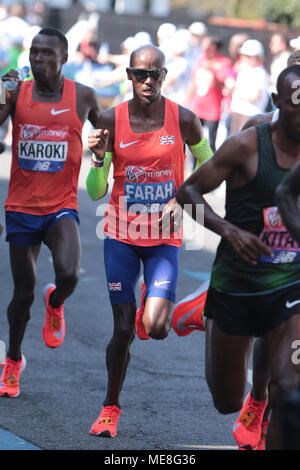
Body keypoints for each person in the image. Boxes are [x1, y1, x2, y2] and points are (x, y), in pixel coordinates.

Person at [85, 44, 213, 437]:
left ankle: (152, 310)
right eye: (140, 74)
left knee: (156, 327)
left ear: (164, 76)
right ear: (128, 76)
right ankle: (110, 408)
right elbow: (94, 192)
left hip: (163, 239)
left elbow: (210, 167)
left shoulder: (185, 119)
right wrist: (97, 161)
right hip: (121, 236)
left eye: (155, 74)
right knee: (122, 330)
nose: (148, 81)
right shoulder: (110, 120)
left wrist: (182, 199)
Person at [175, 65, 300, 450]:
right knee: (226, 401)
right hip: (237, 282)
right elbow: (187, 194)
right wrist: (229, 231)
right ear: (278, 103)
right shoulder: (246, 144)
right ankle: (201, 307)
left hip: (289, 284)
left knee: (287, 390)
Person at [0, 27, 102, 398]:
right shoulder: (16, 93)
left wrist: (100, 149)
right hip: (21, 207)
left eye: (46, 53)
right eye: (33, 52)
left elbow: (105, 133)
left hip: (61, 206)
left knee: (69, 274)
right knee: (22, 293)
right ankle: (13, 361)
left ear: (64, 59)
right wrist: (2, 92)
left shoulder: (83, 96)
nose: (37, 59)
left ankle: (56, 301)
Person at [185, 36, 233, 152]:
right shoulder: (201, 59)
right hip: (197, 106)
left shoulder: (224, 62)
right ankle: (194, 168)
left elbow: (222, 85)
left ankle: (209, 167)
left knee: (211, 140)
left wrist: (212, 71)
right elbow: (193, 81)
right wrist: (187, 101)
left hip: (213, 108)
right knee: (195, 139)